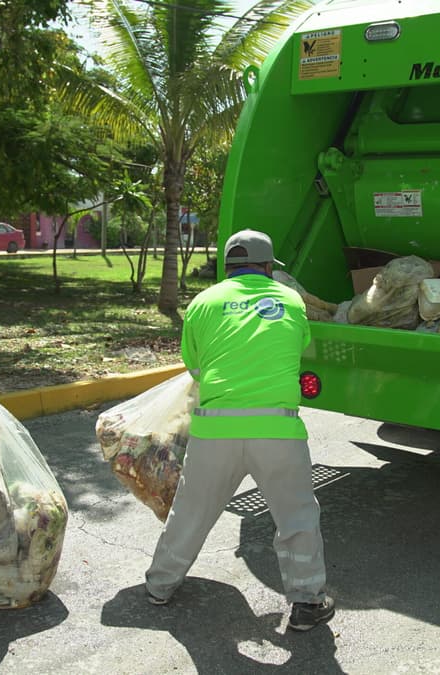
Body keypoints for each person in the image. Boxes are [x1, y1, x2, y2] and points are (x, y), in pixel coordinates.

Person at [144, 229, 335, 632]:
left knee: (190, 513)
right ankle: (306, 603)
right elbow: (299, 346)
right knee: (297, 517)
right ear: (267, 268)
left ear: (227, 267)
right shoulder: (290, 300)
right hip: (278, 431)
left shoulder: (201, 303)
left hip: (216, 431)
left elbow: (194, 367)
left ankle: (160, 586)